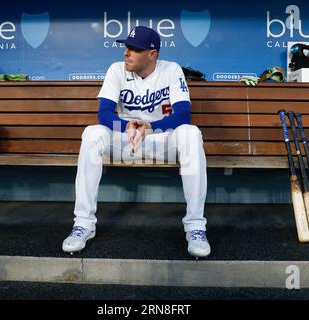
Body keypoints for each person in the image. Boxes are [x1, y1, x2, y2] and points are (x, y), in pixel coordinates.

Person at [62, 26, 210, 258]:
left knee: (191, 133)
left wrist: (151, 127)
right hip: (125, 141)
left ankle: (195, 227)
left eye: (134, 49)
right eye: (126, 47)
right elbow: (104, 113)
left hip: (160, 141)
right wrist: (127, 125)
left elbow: (183, 115)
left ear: (152, 54)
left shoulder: (171, 70)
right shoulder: (116, 70)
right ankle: (83, 224)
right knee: (92, 133)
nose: (127, 53)